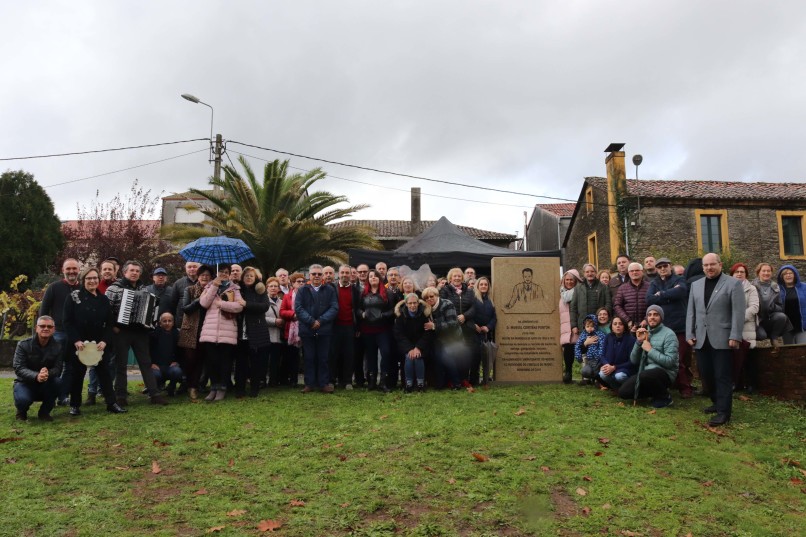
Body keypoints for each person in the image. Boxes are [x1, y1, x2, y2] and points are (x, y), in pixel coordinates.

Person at [686, 253, 745, 426]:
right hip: (701, 338)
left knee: (722, 376)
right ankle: (716, 402)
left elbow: (738, 312)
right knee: (706, 374)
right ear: (702, 267)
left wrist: (735, 335)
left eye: (712, 264)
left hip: (723, 338)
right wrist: (689, 333)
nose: (709, 268)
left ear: (720, 265)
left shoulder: (733, 284)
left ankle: (724, 412)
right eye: (706, 265)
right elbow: (691, 311)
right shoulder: (696, 285)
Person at [63, 267, 126, 415]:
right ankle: (75, 405)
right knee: (77, 375)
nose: (92, 281)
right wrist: (76, 341)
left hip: (99, 345)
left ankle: (112, 403)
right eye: (89, 278)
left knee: (104, 374)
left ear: (99, 280)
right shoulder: (73, 296)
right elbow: (67, 322)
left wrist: (104, 341)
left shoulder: (103, 299)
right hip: (79, 344)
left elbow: (110, 323)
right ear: (83, 280)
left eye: (95, 278)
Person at [106, 260, 168, 407]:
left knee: (146, 363)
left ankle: (154, 394)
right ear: (124, 272)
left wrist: (151, 320)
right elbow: (105, 310)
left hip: (140, 332)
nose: (134, 273)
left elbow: (151, 307)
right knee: (120, 364)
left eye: (137, 271)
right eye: (132, 270)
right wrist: (113, 326)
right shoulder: (113, 288)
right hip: (121, 331)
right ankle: (120, 396)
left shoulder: (144, 289)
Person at [646, 257, 692, 398]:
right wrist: (670, 294)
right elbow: (649, 299)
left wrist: (661, 295)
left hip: (679, 326)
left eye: (665, 266)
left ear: (670, 266)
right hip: (663, 327)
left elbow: (681, 291)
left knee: (679, 359)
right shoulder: (655, 282)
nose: (662, 269)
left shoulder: (679, 280)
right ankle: (672, 385)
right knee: (664, 358)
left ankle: (685, 389)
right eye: (659, 267)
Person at [619, 305, 679, 408]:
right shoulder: (645, 332)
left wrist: (650, 350)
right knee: (624, 392)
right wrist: (638, 342)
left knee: (646, 375)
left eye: (656, 315)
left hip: (665, 373)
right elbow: (634, 360)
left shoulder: (669, 334)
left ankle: (665, 398)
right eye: (649, 315)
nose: (652, 317)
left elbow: (670, 361)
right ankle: (655, 393)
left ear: (661, 317)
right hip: (646, 373)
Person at [39, 258, 81, 405]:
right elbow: (43, 310)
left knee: (70, 367)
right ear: (63, 270)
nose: (71, 271)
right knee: (54, 365)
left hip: (75, 335)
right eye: (68, 269)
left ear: (79, 270)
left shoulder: (82, 289)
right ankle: (48, 394)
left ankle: (62, 396)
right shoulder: (54, 287)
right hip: (58, 333)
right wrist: (44, 331)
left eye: (74, 269)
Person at [199, 265, 243, 402]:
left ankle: (222, 388)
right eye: (221, 272)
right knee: (211, 362)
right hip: (210, 331)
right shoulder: (209, 287)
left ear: (229, 274)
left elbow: (239, 306)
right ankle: (213, 388)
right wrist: (214, 286)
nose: (223, 274)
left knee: (225, 362)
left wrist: (222, 304)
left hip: (228, 331)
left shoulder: (235, 289)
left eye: (226, 272)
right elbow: (204, 303)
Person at [295, 264, 339, 393]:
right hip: (307, 330)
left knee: (323, 358)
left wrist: (320, 321)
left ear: (323, 276)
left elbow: (334, 308)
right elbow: (298, 308)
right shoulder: (302, 290)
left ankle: (323, 384)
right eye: (314, 274)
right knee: (309, 357)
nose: (316, 276)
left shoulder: (330, 290)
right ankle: (309, 384)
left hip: (324, 329)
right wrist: (311, 321)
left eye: (319, 274)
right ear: (309, 275)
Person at [13, 316, 64, 421]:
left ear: (53, 330)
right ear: (36, 328)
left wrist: (47, 373)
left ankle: (44, 413)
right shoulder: (23, 345)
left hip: (46, 383)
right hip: (25, 383)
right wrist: (36, 376)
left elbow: (58, 369)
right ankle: (21, 412)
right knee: (23, 400)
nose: (46, 328)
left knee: (58, 382)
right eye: (42, 326)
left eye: (49, 326)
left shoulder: (58, 347)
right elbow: (19, 368)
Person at [177, 264, 213, 400]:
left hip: (207, 330)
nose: (205, 277)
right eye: (202, 275)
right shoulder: (189, 290)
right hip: (191, 330)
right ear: (198, 277)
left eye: (208, 276)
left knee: (202, 360)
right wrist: (201, 298)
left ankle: (195, 387)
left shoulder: (214, 291)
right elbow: (186, 308)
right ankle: (187, 385)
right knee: (190, 360)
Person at [235, 267, 271, 397]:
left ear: (255, 278)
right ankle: (239, 389)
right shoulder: (238, 290)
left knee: (256, 362)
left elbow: (265, 306)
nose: (249, 278)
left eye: (251, 276)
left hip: (256, 332)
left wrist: (246, 304)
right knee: (241, 363)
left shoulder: (260, 291)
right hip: (240, 332)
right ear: (242, 278)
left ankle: (254, 388)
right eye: (246, 276)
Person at [440, 267, 480, 386]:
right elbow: (443, 306)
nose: (457, 278)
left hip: (467, 326)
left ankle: (464, 379)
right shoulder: (445, 290)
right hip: (451, 327)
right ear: (450, 278)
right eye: (454, 276)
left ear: (462, 278)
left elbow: (474, 307)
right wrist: (455, 317)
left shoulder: (469, 291)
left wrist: (464, 316)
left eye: (459, 276)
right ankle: (451, 379)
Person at [359, 269, 395, 391]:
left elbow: (393, 310)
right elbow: (357, 309)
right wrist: (362, 314)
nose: (373, 278)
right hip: (367, 329)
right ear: (368, 280)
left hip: (383, 329)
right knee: (371, 356)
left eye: (375, 276)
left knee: (385, 353)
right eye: (370, 276)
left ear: (379, 278)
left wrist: (383, 315)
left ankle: (383, 382)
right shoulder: (363, 293)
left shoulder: (388, 293)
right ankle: (372, 381)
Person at [422, 286, 461, 390]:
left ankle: (456, 384)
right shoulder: (426, 308)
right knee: (437, 359)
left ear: (436, 295)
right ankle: (439, 384)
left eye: (431, 296)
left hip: (451, 337)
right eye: (426, 298)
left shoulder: (447, 304)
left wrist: (434, 325)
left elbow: (453, 324)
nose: (429, 299)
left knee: (448, 359)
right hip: (437, 337)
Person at [394, 293, 434, 393]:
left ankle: (420, 383)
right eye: (410, 303)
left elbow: (427, 334)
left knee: (418, 356)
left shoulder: (424, 316)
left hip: (421, 346)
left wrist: (418, 347)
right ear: (406, 304)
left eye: (415, 303)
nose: (413, 305)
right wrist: (410, 349)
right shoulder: (400, 317)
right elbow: (399, 335)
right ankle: (409, 383)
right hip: (406, 346)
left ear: (418, 303)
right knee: (409, 356)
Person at [728, 263, 759, 391]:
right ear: (732, 274)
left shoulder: (751, 289)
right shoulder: (727, 288)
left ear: (746, 274)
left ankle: (751, 384)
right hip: (731, 328)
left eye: (742, 272)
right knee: (734, 358)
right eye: (737, 272)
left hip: (747, 326)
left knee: (748, 357)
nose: (739, 274)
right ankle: (737, 383)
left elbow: (754, 307)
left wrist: (737, 318)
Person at [330, 265, 361, 389]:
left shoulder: (355, 290)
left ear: (351, 275)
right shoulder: (331, 288)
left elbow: (357, 309)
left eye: (347, 273)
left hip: (349, 326)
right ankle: (331, 381)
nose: (344, 275)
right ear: (339, 273)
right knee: (333, 354)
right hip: (334, 326)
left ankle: (347, 381)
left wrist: (357, 327)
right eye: (342, 272)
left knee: (349, 355)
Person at [751, 262, 790, 357]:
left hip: (769, 317)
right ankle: (751, 347)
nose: (766, 273)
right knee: (762, 335)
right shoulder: (752, 286)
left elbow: (780, 307)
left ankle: (774, 337)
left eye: (768, 271)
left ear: (771, 273)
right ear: (758, 273)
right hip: (756, 319)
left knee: (782, 317)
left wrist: (773, 307)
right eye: (763, 271)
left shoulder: (775, 287)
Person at [570, 263, 611, 337]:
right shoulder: (578, 288)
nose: (590, 274)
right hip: (583, 326)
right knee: (585, 346)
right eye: (587, 272)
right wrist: (574, 325)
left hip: (600, 325)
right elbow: (573, 308)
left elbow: (608, 304)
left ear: (596, 273)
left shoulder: (603, 287)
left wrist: (604, 319)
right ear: (584, 273)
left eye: (592, 271)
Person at [279, 272, 306, 386]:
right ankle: (292, 380)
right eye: (298, 282)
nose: (300, 284)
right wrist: (293, 314)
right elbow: (282, 311)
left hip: (305, 328)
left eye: (302, 282)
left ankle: (307, 380)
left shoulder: (308, 295)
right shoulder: (287, 296)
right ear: (293, 283)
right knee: (292, 356)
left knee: (306, 356)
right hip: (291, 330)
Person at [149, 312, 183, 396]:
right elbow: (147, 351)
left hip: (170, 367)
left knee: (177, 371)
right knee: (154, 374)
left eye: (169, 321)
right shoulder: (153, 335)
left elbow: (181, 353)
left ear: (173, 322)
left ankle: (171, 387)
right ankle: (155, 391)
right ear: (160, 323)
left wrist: (177, 361)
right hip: (157, 366)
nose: (167, 323)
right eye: (164, 321)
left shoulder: (177, 335)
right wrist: (151, 363)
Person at [598, 316, 636, 390]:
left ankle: (629, 388)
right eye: (615, 324)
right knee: (602, 374)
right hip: (610, 367)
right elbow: (602, 355)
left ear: (624, 326)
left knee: (619, 376)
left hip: (624, 368)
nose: (617, 326)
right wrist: (606, 365)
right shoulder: (608, 337)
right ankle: (617, 389)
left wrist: (614, 367)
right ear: (611, 327)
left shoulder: (631, 340)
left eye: (620, 324)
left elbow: (632, 362)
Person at [559, 269, 582, 384]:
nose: (569, 282)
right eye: (567, 279)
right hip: (565, 327)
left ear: (576, 280)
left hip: (576, 325)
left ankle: (586, 374)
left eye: (571, 280)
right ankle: (568, 372)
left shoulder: (580, 292)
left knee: (582, 348)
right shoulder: (562, 293)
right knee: (568, 349)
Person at [473, 276, 497, 384]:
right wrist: (474, 325)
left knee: (487, 358)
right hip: (475, 333)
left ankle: (486, 379)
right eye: (481, 284)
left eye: (486, 284)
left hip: (486, 333)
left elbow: (494, 317)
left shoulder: (491, 300)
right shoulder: (473, 298)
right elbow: (469, 313)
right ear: (477, 286)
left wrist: (488, 327)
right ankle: (474, 379)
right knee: (475, 358)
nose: (483, 286)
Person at [614, 262, 650, 333]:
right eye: (632, 271)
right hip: (628, 327)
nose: (634, 272)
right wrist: (627, 320)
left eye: (637, 270)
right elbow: (617, 306)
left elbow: (654, 305)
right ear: (628, 273)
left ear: (642, 272)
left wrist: (646, 319)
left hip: (647, 326)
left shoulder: (650, 286)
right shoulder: (622, 288)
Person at [264, 276, 286, 387]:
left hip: (278, 336)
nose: (273, 288)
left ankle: (273, 381)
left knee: (275, 360)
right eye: (271, 286)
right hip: (266, 335)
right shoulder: (263, 301)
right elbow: (260, 318)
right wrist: (274, 321)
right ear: (266, 288)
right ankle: (262, 380)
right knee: (264, 360)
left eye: (275, 286)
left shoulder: (283, 302)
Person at [777, 264, 806, 344]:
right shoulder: (778, 290)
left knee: (803, 350)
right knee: (789, 351)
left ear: (795, 275)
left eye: (790, 273)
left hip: (802, 327)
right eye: (785, 274)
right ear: (781, 277)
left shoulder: (804, 287)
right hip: (787, 328)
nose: (788, 275)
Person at [575, 314, 606, 385]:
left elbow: (602, 345)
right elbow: (578, 345)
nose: (589, 328)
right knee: (587, 370)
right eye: (587, 326)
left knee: (597, 369)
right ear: (584, 327)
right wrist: (578, 356)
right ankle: (589, 379)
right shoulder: (583, 335)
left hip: (598, 359)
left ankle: (598, 381)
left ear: (595, 326)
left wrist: (599, 355)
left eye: (592, 326)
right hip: (589, 358)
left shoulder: (599, 334)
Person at [172, 261, 200, 329]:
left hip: (200, 321)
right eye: (189, 267)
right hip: (182, 322)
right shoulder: (178, 283)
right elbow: (173, 303)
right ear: (185, 269)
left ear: (199, 268)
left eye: (194, 267)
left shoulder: (204, 282)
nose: (192, 269)